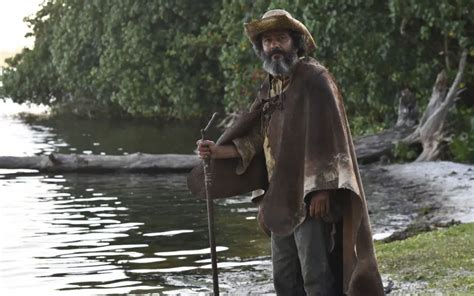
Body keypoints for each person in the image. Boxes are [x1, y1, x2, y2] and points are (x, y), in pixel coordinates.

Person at [188, 9, 384, 296]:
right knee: (284, 276)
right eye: (267, 41)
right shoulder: (270, 87)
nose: (274, 46)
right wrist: (217, 152)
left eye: (280, 38)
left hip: (310, 199)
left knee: (315, 275)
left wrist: (322, 189)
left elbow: (330, 139)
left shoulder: (315, 79)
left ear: (295, 42)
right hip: (279, 197)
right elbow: (256, 139)